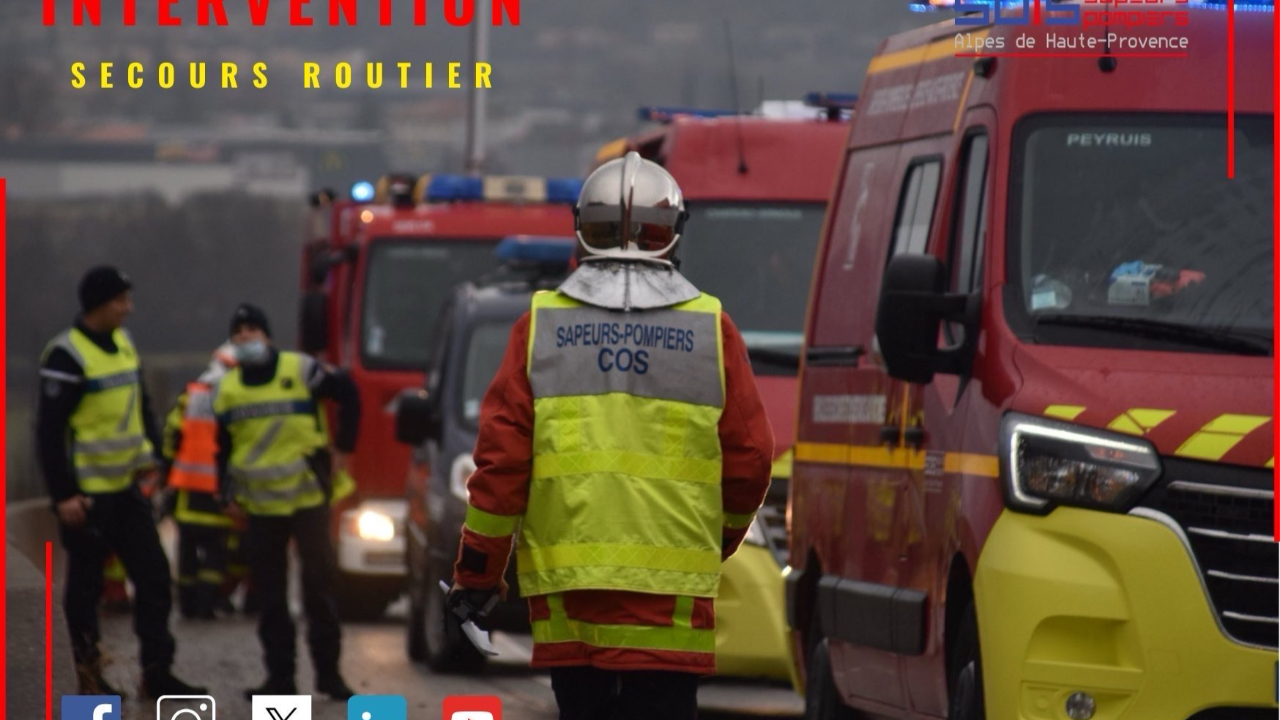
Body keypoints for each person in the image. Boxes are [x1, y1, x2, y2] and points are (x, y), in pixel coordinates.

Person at [449, 152, 774, 720]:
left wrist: (477, 575)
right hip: (669, 604)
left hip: (569, 598)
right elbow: (750, 459)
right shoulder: (710, 328)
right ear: (672, 234)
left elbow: (500, 468)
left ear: (583, 229)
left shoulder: (539, 327)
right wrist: (712, 539)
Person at [36, 265, 208, 698]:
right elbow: (49, 433)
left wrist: (154, 456)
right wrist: (63, 496)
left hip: (128, 489)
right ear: (100, 303)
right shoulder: (67, 356)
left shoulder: (123, 344)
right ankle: (89, 679)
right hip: (87, 496)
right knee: (86, 590)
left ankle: (157, 672)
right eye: (121, 300)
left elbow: (141, 406)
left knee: (153, 577)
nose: (128, 308)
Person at [211, 304, 360, 701]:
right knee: (271, 599)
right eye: (238, 331)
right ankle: (280, 680)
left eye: (252, 329)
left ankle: (329, 676)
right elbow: (223, 450)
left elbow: (349, 392)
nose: (245, 337)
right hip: (260, 508)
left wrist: (344, 448)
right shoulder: (227, 389)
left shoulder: (301, 370)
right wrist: (226, 497)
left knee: (319, 592)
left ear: (268, 335)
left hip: (307, 501)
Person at [163, 343, 239, 620]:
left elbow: (171, 434)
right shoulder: (237, 398)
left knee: (188, 553)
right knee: (215, 553)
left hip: (188, 488)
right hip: (219, 490)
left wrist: (169, 468)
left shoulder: (192, 395)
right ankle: (206, 605)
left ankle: (187, 606)